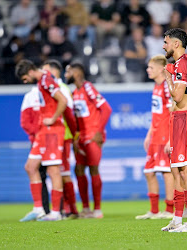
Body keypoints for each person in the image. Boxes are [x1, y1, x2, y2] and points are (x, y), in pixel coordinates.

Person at [161, 28, 187, 233]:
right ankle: (178, 219)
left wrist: (167, 77)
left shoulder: (182, 63)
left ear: (176, 44)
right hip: (180, 118)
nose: (164, 46)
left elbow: (177, 97)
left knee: (186, 169)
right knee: (176, 170)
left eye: (166, 42)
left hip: (185, 118)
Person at [15, 59, 67, 221]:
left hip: (53, 130)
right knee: (30, 167)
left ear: (30, 72)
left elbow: (63, 100)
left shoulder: (46, 79)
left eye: (25, 78)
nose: (26, 82)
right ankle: (38, 209)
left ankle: (56, 213)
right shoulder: (41, 82)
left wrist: (53, 118)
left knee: (53, 170)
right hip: (44, 132)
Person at [67, 62, 112, 218]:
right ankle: (86, 208)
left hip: (93, 135)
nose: (66, 74)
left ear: (77, 73)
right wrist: (76, 137)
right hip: (81, 137)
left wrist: (99, 132)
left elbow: (106, 108)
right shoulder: (75, 93)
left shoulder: (88, 88)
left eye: (69, 71)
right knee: (78, 169)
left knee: (93, 169)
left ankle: (97, 209)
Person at [135, 55, 174, 220]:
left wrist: (171, 138)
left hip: (165, 134)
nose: (147, 70)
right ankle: (154, 210)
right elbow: (156, 114)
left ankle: (170, 209)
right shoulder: (156, 86)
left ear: (160, 69)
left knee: (166, 172)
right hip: (155, 135)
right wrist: (148, 134)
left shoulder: (166, 86)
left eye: (151, 67)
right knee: (149, 171)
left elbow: (173, 112)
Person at [42, 59, 79, 219]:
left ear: (54, 71)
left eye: (46, 70)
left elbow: (69, 113)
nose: (43, 74)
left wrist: (74, 134)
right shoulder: (50, 87)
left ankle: (69, 209)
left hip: (62, 136)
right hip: (55, 136)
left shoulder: (61, 89)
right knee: (59, 172)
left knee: (62, 173)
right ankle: (65, 209)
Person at [20, 86, 50, 215]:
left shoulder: (53, 91)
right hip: (41, 139)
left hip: (49, 138)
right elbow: (25, 122)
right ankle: (45, 209)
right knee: (41, 172)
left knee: (53, 173)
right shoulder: (31, 96)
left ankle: (53, 210)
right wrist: (39, 132)